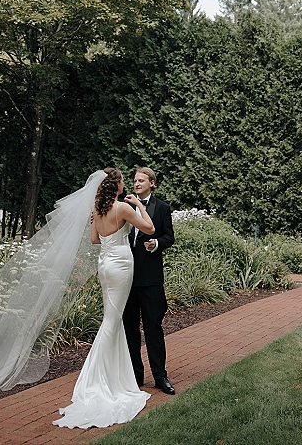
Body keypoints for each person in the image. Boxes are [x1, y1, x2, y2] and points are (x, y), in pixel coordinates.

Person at [54, 167, 155, 428]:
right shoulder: (122, 207)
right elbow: (150, 228)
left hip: (104, 265)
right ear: (116, 186)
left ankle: (113, 375)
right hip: (121, 264)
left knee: (112, 317)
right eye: (123, 181)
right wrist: (139, 206)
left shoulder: (98, 210)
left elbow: (95, 240)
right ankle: (96, 378)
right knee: (111, 321)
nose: (125, 185)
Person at [122, 166, 176, 395]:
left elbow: (169, 237)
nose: (136, 183)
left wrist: (156, 244)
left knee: (153, 326)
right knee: (130, 328)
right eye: (134, 180)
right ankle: (135, 375)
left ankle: (160, 376)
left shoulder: (162, 208)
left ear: (152, 183)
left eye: (141, 180)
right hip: (125, 276)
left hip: (151, 278)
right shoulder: (123, 206)